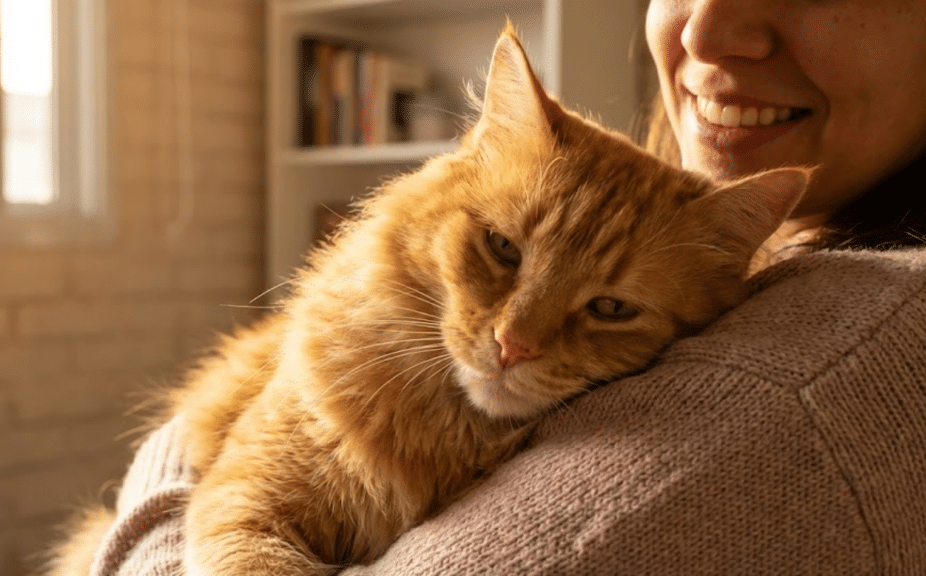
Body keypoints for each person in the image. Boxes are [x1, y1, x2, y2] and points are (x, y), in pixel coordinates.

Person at [74, 1, 926, 574]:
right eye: (499, 250)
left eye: (606, 310)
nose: (515, 338)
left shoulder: (829, 365)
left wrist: (161, 482)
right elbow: (242, 510)